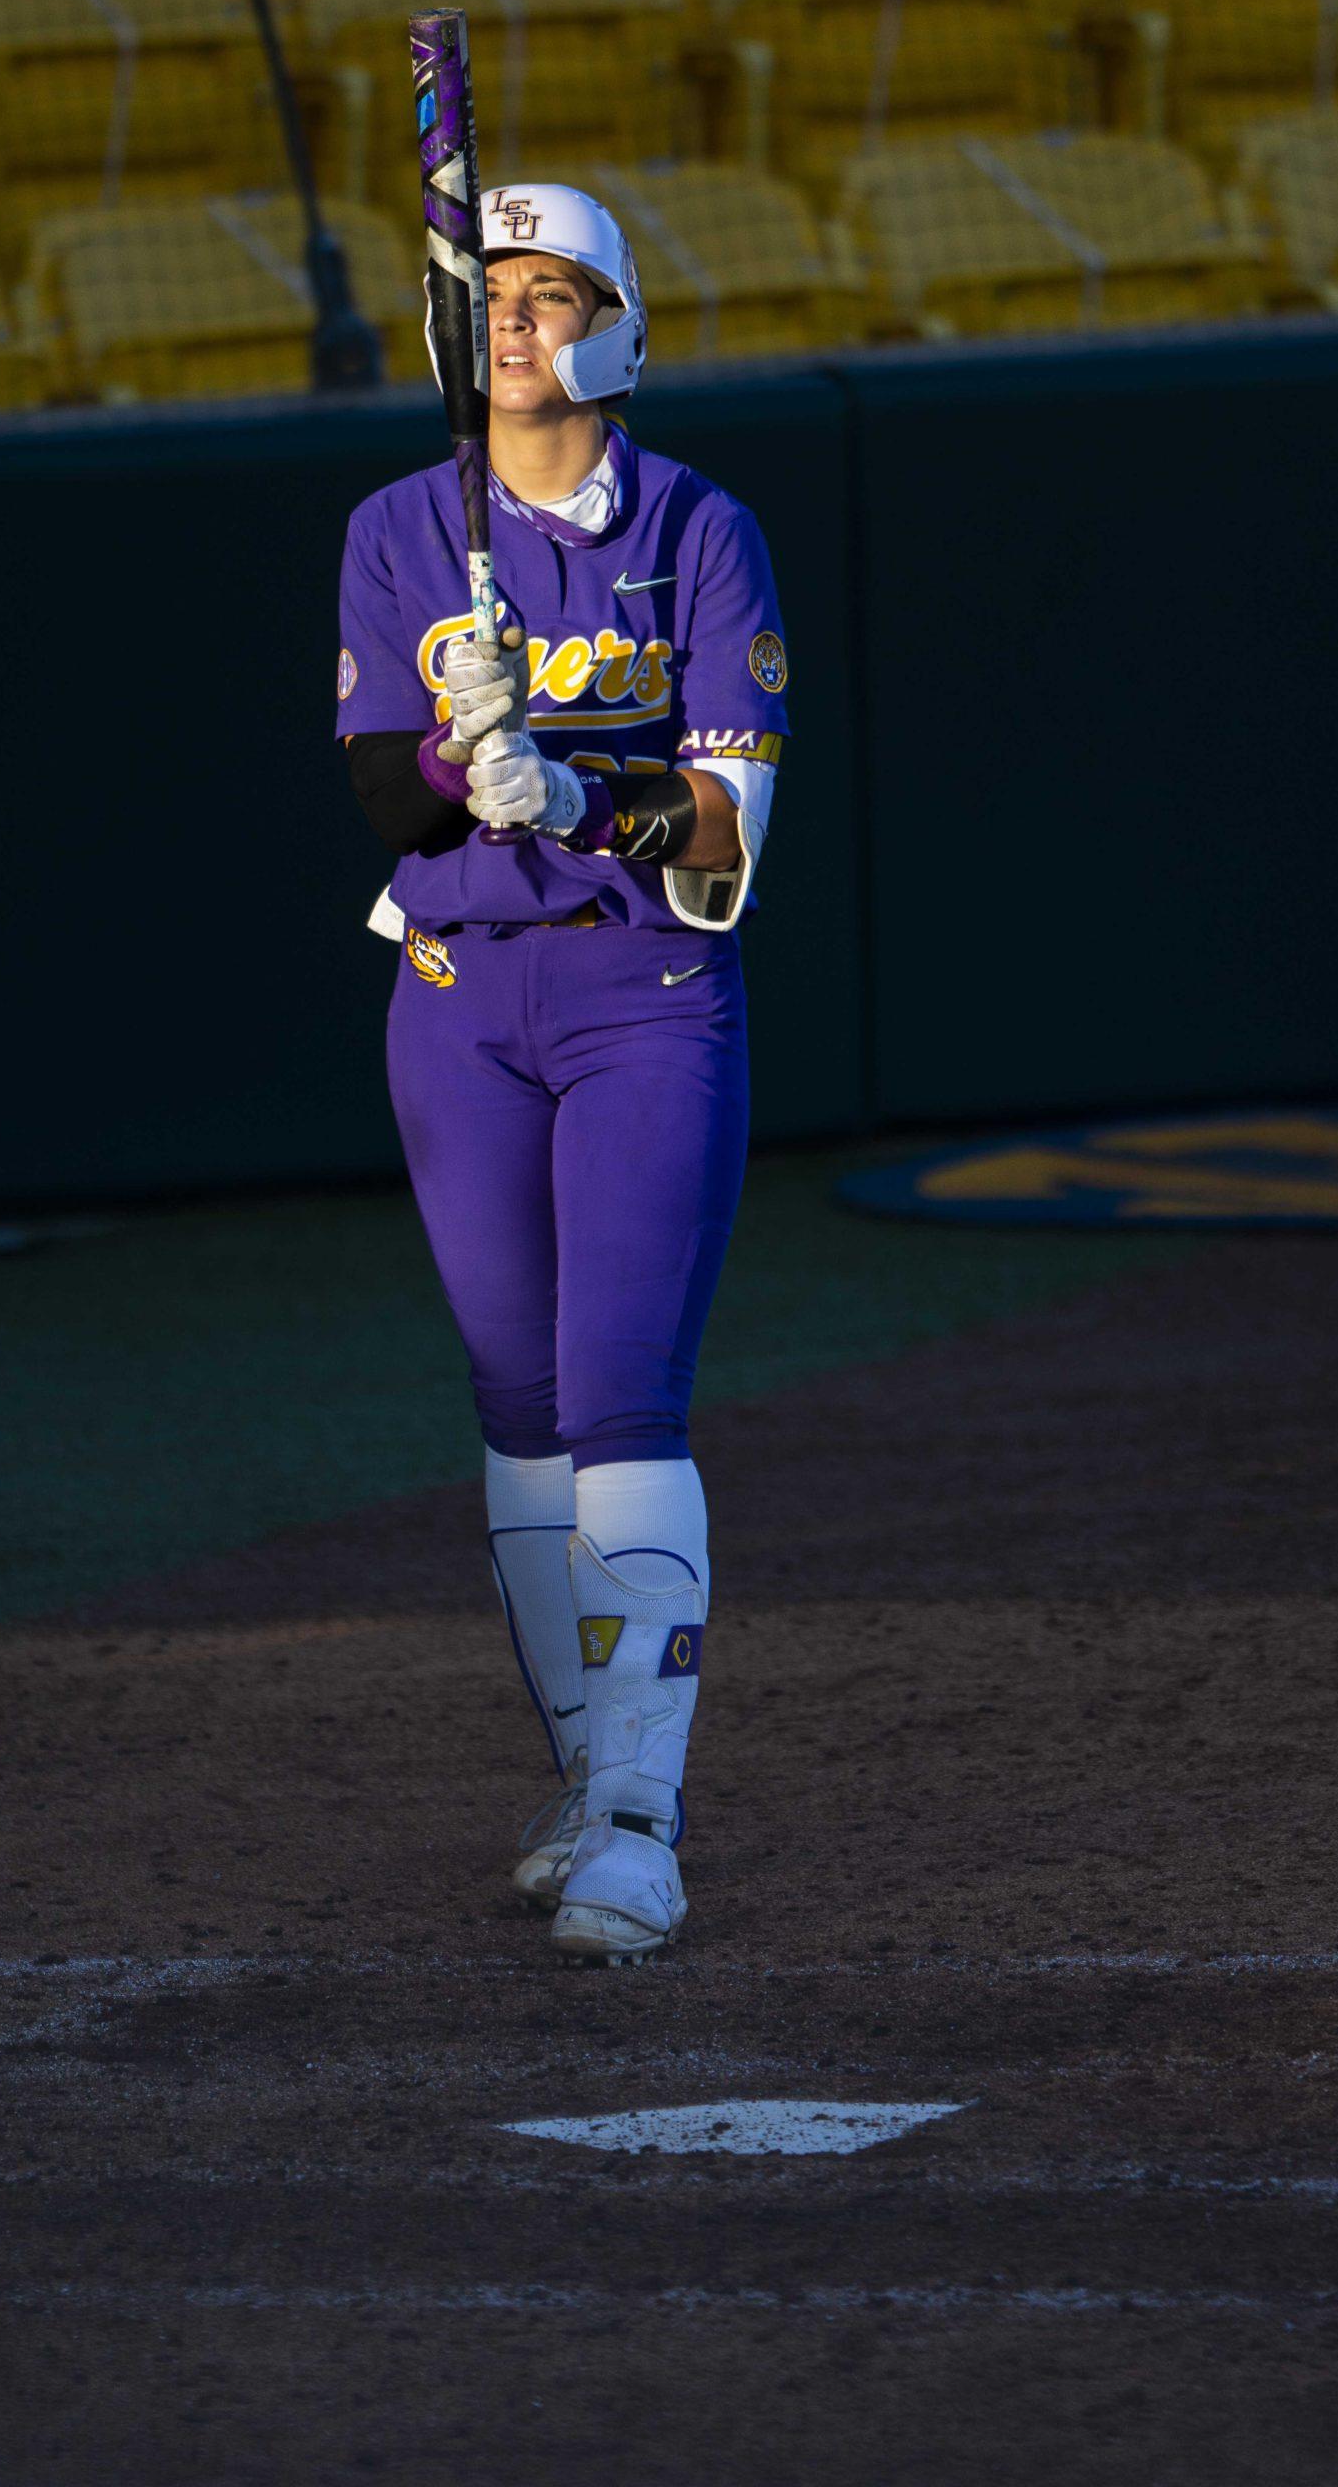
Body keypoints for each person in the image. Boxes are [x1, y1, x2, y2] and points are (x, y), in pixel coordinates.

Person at [335, 183, 787, 1965]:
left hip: (647, 993)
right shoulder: (392, 527)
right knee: (516, 1411)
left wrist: (581, 790)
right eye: (493, 295)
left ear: (622, 322)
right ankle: (586, 1768)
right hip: (454, 1000)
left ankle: (640, 1822)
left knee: (620, 1401)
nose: (518, 321)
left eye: (554, 291)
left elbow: (733, 825)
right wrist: (467, 755)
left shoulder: (697, 527)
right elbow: (382, 791)